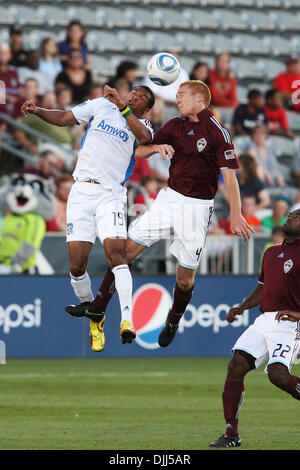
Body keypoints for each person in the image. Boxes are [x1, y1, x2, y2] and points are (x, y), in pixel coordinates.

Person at [72, 80, 254, 349]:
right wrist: (156, 148)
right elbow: (140, 148)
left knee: (184, 280)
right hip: (168, 200)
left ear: (199, 99)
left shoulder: (218, 132)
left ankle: (172, 321)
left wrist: (236, 214)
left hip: (197, 208)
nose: (177, 100)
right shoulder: (174, 125)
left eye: (182, 95)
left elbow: (230, 177)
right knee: (125, 251)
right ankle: (98, 306)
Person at [21, 83, 157, 351]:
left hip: (111, 195)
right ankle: (96, 315)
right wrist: (37, 110)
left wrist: (123, 106)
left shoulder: (143, 125)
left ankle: (128, 320)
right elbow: (64, 117)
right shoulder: (101, 105)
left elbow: (143, 138)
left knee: (116, 254)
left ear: (147, 109)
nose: (134, 97)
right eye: (134, 93)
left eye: (141, 98)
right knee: (76, 267)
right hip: (82, 190)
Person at [209, 208, 300, 448]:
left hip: (290, 324)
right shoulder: (271, 252)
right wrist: (241, 307)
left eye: (298, 216)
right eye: (291, 214)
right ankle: (231, 435)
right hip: (263, 321)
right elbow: (262, 287)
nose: (291, 217)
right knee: (236, 366)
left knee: (277, 375)